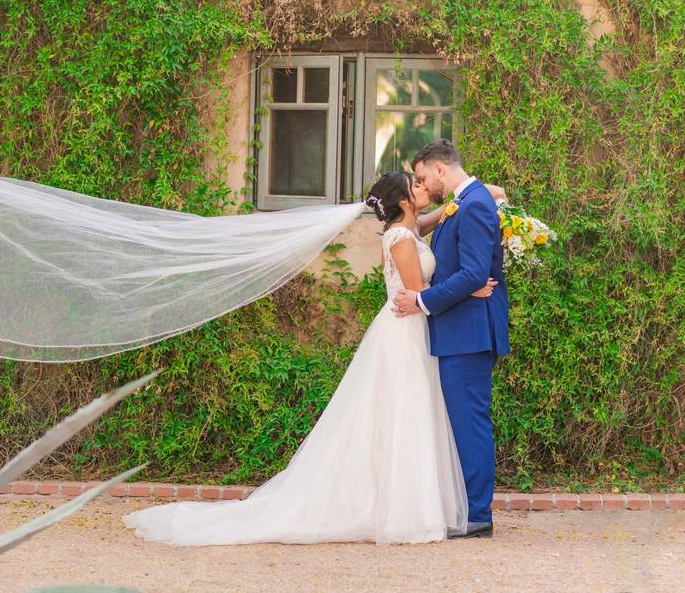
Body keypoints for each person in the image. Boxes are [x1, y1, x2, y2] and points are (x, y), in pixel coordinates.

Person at [124, 167, 504, 545]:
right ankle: (402, 508)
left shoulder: (410, 228)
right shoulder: (403, 237)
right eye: (416, 185)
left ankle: (413, 502)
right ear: (404, 201)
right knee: (404, 413)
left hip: (409, 330)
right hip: (406, 332)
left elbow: (442, 216)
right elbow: (420, 293)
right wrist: (470, 288)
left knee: (405, 415)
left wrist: (474, 191)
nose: (423, 187)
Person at [392, 138, 510, 539]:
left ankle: (478, 514)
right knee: (462, 422)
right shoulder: (467, 201)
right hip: (461, 329)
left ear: (440, 170)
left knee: (470, 423)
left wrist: (423, 299)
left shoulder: (474, 204)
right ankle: (468, 508)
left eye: (424, 176)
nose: (424, 184)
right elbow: (464, 269)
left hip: (470, 334)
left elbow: (476, 272)